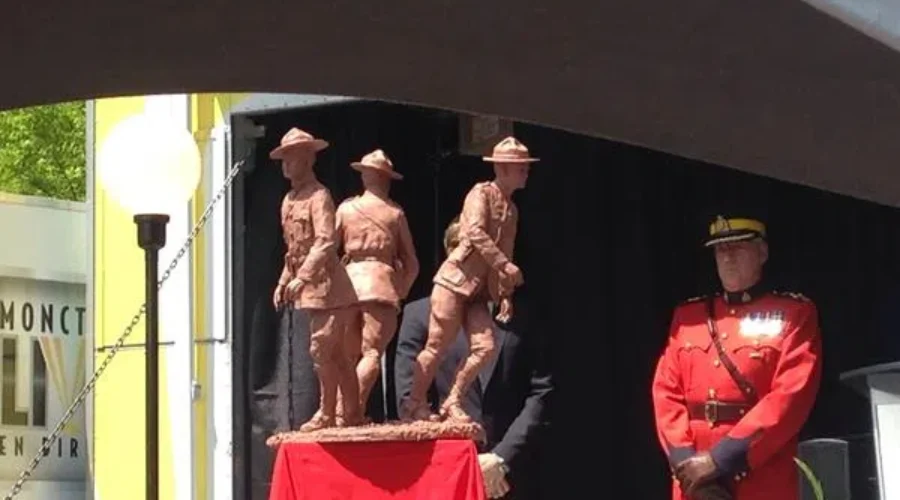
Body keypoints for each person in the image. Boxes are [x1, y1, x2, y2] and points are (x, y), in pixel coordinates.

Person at [651, 215, 823, 500]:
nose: (728, 258)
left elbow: (791, 397)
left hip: (759, 474)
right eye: (721, 250)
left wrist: (720, 460)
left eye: (738, 248)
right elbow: (666, 394)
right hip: (693, 481)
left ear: (762, 253)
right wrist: (687, 467)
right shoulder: (688, 316)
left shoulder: (794, 313)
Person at [394, 217, 553, 500]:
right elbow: (409, 400)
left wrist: (500, 459)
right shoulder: (420, 316)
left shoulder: (523, 317)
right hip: (445, 475)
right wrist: (460, 459)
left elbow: (541, 392)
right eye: (462, 251)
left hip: (512, 477)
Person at [400, 136, 535, 423]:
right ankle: (414, 404)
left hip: (479, 291)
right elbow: (474, 231)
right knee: (438, 343)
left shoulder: (512, 210)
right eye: (521, 167)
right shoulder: (481, 193)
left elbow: (507, 253)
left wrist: (505, 294)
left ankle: (452, 401)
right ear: (502, 168)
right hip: (454, 281)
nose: (526, 172)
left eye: (525, 167)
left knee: (485, 346)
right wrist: (503, 264)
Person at [270, 127, 361, 431]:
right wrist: (284, 281)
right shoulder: (288, 200)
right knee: (336, 355)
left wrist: (304, 278)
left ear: (308, 159)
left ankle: (328, 413)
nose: (286, 165)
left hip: (331, 288)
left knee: (322, 348)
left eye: (291, 158)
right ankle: (351, 413)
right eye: (283, 159)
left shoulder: (319, 196)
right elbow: (293, 250)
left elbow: (325, 241)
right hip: (312, 289)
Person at [335, 149, 419, 420]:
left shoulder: (346, 208)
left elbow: (328, 250)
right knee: (371, 353)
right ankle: (348, 413)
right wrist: (401, 291)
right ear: (385, 179)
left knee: (346, 357)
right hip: (381, 285)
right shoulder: (395, 213)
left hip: (348, 285)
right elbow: (412, 263)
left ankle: (342, 413)